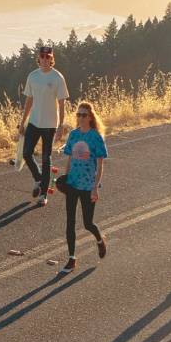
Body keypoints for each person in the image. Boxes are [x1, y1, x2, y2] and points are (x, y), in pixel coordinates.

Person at [58, 101, 108, 274]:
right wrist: (65, 179)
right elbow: (70, 158)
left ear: (90, 117)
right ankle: (72, 258)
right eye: (78, 114)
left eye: (83, 115)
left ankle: (100, 240)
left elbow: (100, 165)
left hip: (88, 185)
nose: (80, 118)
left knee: (88, 223)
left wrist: (95, 187)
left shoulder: (95, 137)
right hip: (72, 183)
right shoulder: (73, 135)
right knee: (70, 221)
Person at [18, 45, 69, 206]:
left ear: (51, 59)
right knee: (26, 154)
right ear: (38, 58)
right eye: (42, 56)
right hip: (34, 122)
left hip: (50, 125)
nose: (45, 59)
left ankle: (43, 194)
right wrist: (23, 122)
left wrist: (61, 125)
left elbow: (62, 104)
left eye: (48, 57)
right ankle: (39, 178)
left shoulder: (57, 78)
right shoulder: (33, 76)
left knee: (46, 159)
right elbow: (29, 100)